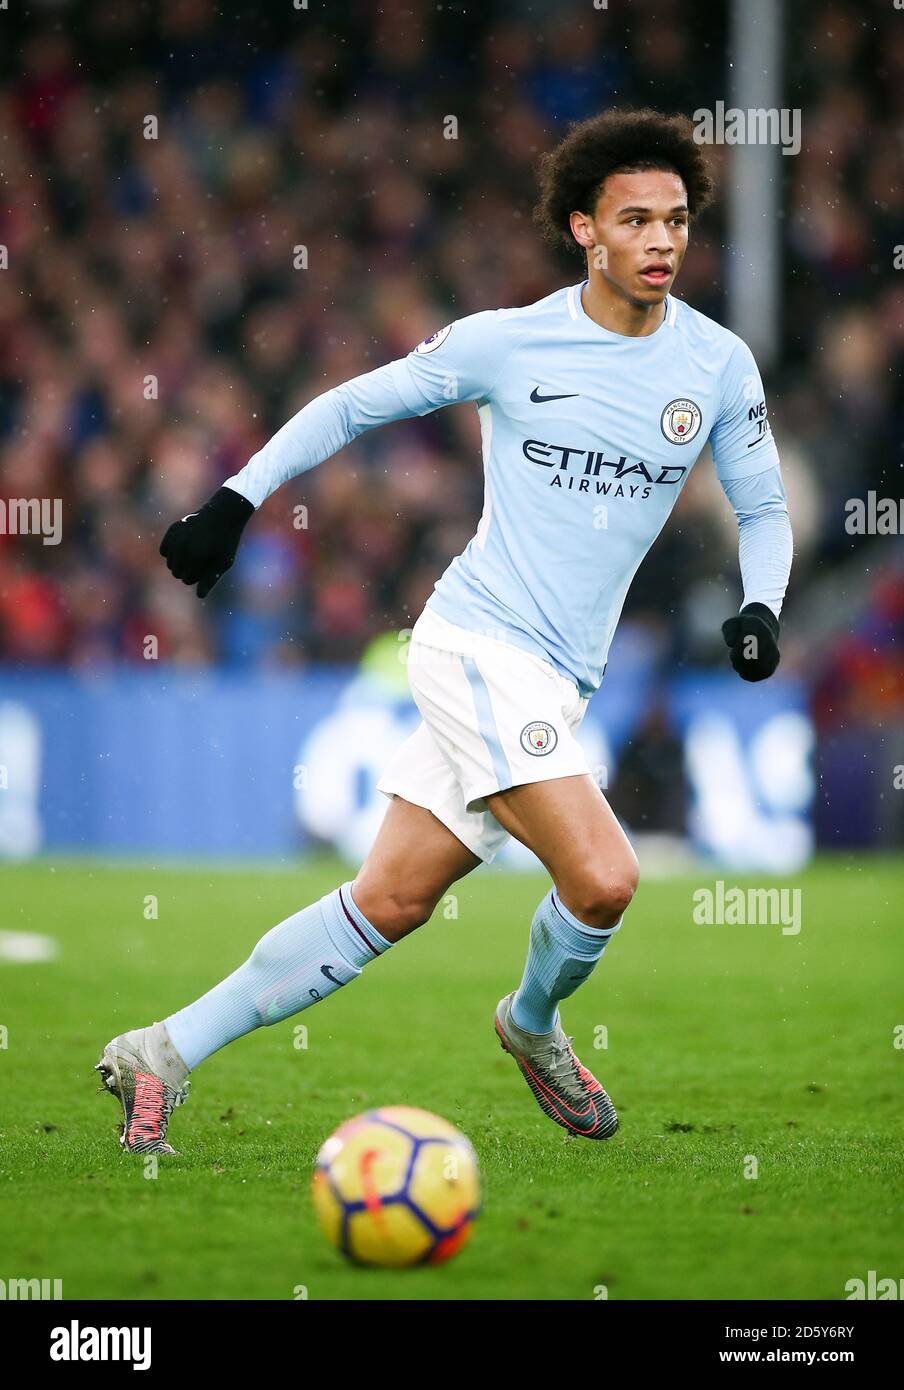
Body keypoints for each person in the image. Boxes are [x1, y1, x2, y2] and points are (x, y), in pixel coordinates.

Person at [96, 108, 792, 1153]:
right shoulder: (508, 344)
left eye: (677, 221)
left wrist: (760, 606)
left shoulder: (717, 365)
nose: (661, 242)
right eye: (635, 220)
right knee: (602, 875)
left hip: (560, 680)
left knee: (389, 900)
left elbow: (764, 510)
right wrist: (235, 501)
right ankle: (531, 1022)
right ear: (582, 230)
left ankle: (162, 1048)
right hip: (475, 646)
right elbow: (350, 406)